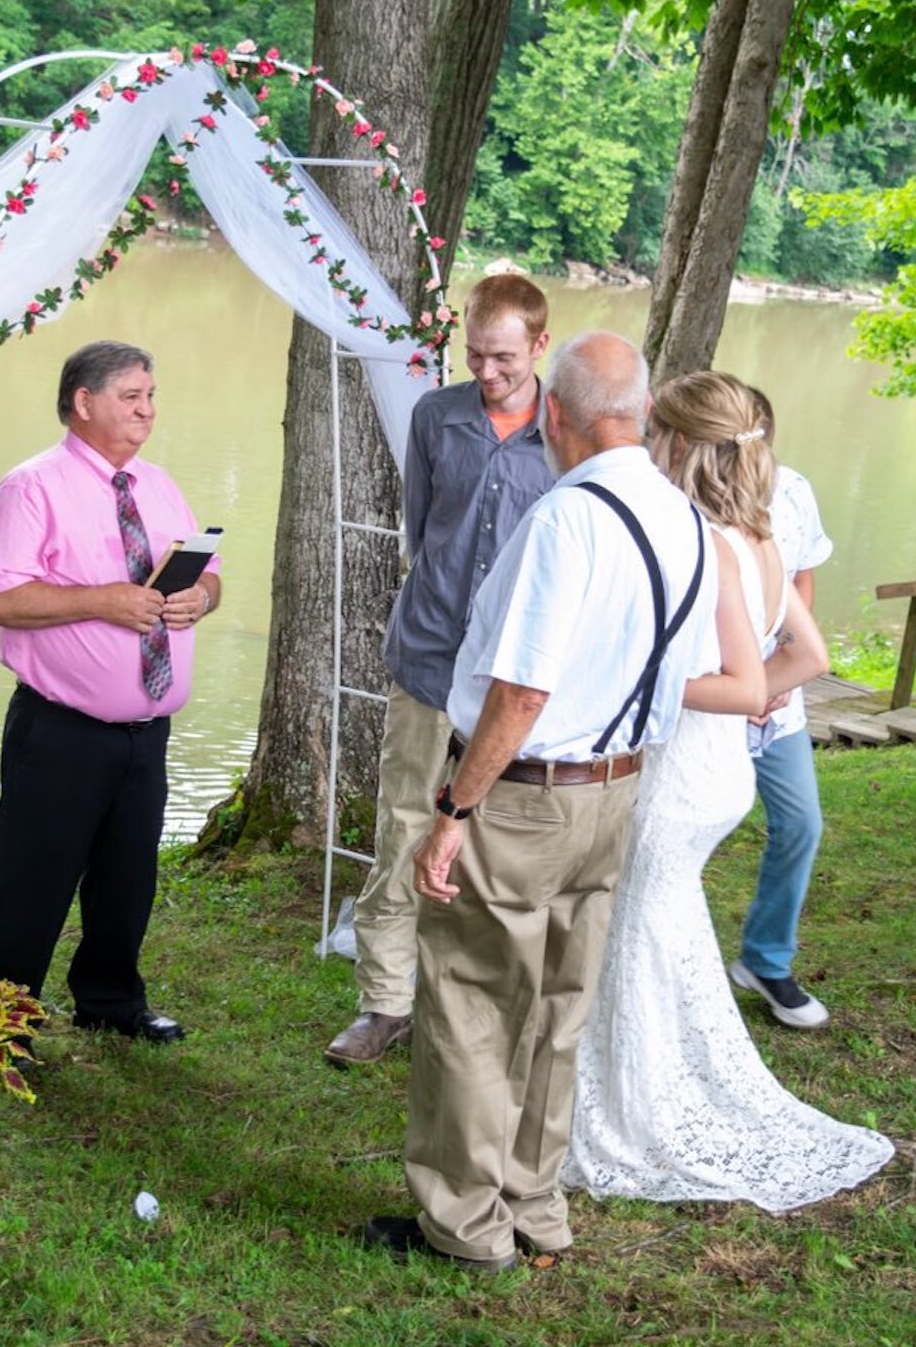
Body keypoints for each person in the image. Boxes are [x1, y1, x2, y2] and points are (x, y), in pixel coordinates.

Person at [365, 332, 722, 1272]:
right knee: (561, 1005)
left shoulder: (567, 520)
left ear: (555, 414)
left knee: (474, 1002)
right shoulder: (687, 519)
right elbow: (684, 670)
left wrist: (454, 810)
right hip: (615, 791)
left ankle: (464, 1224)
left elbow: (522, 692)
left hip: (527, 798)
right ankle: (534, 1200)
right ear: (639, 413)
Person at [561, 371, 894, 1210]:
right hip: (723, 772)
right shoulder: (763, 537)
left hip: (676, 778)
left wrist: (633, 681)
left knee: (635, 930)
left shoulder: (700, 541)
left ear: (677, 443)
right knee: (663, 925)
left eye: (654, 435)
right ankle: (648, 1078)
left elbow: (739, 682)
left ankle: (635, 1111)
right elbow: (809, 658)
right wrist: (741, 697)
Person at [324, 275, 554, 1067]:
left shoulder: (569, 434)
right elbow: (422, 529)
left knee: (494, 846)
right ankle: (385, 1003)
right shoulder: (436, 416)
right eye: (475, 355)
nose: (486, 372)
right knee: (404, 828)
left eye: (504, 359)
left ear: (540, 346)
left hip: (510, 679)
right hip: (428, 660)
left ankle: (475, 1009)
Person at [0, 340, 220, 1046]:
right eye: (131, 396)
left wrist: (201, 597)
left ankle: (110, 1002)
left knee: (126, 879)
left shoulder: (157, 485)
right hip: (61, 731)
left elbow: (209, 573)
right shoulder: (31, 488)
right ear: (84, 402)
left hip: (146, 731)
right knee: (32, 881)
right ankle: (1, 1024)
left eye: (151, 396)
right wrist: (101, 600)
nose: (147, 410)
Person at [728, 386, 833, 1028]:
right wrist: (740, 688)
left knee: (800, 824)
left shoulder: (794, 491)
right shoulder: (689, 499)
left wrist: (784, 673)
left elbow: (802, 576)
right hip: (713, 697)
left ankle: (765, 958)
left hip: (780, 699)